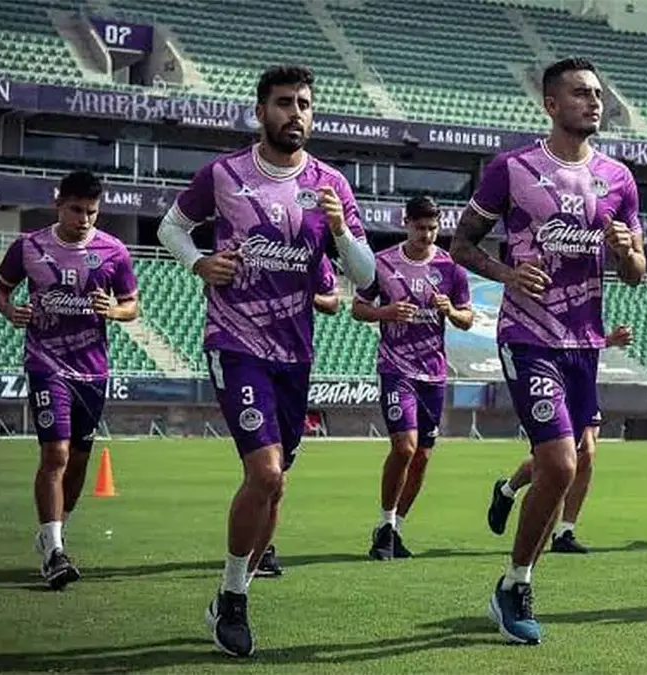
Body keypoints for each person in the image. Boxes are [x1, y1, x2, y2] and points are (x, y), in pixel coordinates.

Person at [156, 64, 375, 657]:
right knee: (266, 474)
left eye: (303, 103)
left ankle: (235, 591)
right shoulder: (224, 174)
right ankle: (232, 598)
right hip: (236, 345)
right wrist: (199, 263)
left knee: (276, 489)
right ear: (261, 112)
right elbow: (172, 227)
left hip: (294, 356)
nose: (294, 113)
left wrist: (340, 231)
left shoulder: (332, 184)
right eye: (283, 102)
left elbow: (365, 277)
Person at [450, 57, 645, 645]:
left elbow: (636, 273)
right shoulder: (512, 169)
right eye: (582, 93)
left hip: (585, 342)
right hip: (528, 335)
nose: (594, 102)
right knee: (560, 463)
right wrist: (507, 274)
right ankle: (517, 584)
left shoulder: (619, 179)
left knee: (574, 462)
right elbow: (462, 245)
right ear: (551, 105)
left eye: (598, 94)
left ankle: (513, 579)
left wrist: (624, 251)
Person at [0, 170, 139, 590]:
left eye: (92, 212)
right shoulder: (29, 247)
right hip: (46, 363)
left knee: (77, 462)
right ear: (59, 204)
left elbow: (132, 306)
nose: (84, 219)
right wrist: (10, 310)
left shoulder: (114, 251)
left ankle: (55, 533)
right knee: (55, 453)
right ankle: (54, 552)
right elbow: (0, 289)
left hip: (92, 370)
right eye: (76, 210)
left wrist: (113, 310)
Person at [352, 195, 473, 561]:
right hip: (396, 368)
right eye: (420, 228)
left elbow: (467, 319)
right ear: (406, 223)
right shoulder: (383, 262)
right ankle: (385, 523)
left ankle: (396, 530)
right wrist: (386, 312)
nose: (427, 235)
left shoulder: (451, 268)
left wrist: (450, 310)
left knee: (421, 456)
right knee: (404, 447)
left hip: (433, 374)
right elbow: (358, 308)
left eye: (433, 228)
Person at [486, 324, 634, 554]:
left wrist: (607, 340)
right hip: (549, 364)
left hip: (583, 369)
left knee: (585, 454)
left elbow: (582, 333)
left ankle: (564, 531)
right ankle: (509, 490)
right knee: (564, 456)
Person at [253, 254, 341, 578]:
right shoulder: (254, 242)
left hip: (295, 361)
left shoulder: (311, 249)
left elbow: (333, 302)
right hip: (251, 357)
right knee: (265, 469)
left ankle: (261, 547)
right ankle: (250, 562)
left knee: (278, 474)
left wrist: (308, 294)